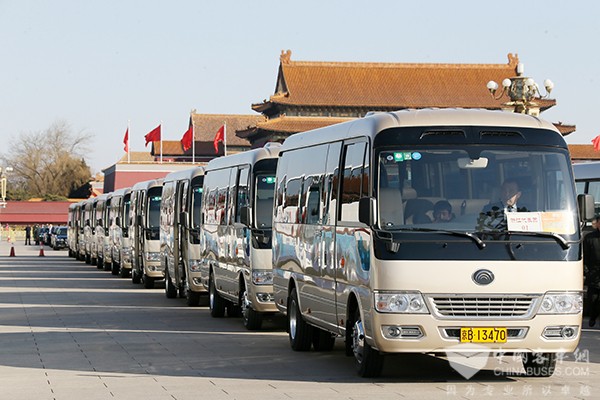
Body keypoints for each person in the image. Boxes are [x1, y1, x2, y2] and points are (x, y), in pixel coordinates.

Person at [584, 215, 600, 327]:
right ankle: (593, 317)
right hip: (593, 274)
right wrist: (587, 272)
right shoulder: (590, 238)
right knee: (593, 299)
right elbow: (585, 256)